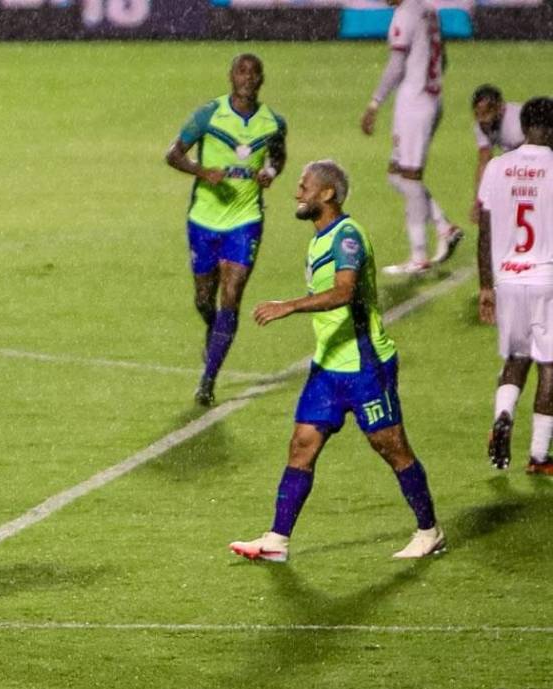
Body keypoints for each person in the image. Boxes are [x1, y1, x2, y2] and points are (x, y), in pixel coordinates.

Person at [230, 160, 445, 562]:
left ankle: (429, 530)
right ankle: (277, 540)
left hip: (366, 366)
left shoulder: (346, 237)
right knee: (302, 445)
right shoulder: (318, 237)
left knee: (391, 447)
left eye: (304, 186)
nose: (297, 192)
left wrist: (289, 305)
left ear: (327, 194)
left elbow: (344, 291)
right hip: (329, 367)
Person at [166, 53, 286, 407]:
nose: (247, 78)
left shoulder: (273, 122)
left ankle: (208, 379)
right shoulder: (209, 114)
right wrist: (204, 173)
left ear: (262, 79)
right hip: (204, 218)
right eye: (241, 71)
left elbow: (278, 157)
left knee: (231, 296)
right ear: (231, 77)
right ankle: (212, 327)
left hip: (245, 219)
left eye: (254, 73)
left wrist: (271, 173)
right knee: (205, 298)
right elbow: (172, 154)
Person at [477, 97, 553, 476]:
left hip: (508, 277)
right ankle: (540, 456)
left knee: (517, 358)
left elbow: (485, 228)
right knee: (550, 364)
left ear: (523, 128)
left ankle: (503, 414)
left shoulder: (497, 166)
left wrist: (486, 286)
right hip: (547, 276)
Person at [360, 0, 463, 276]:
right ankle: (444, 227)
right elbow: (444, 59)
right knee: (397, 176)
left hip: (415, 105)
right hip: (429, 98)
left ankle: (419, 256)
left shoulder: (404, 15)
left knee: (410, 178)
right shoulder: (428, 10)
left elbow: (396, 66)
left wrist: (374, 103)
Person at [470, 84, 524, 224]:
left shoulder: (516, 124)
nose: (482, 120)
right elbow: (484, 162)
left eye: (487, 114)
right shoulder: (481, 126)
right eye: (478, 114)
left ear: (500, 108)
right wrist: (478, 201)